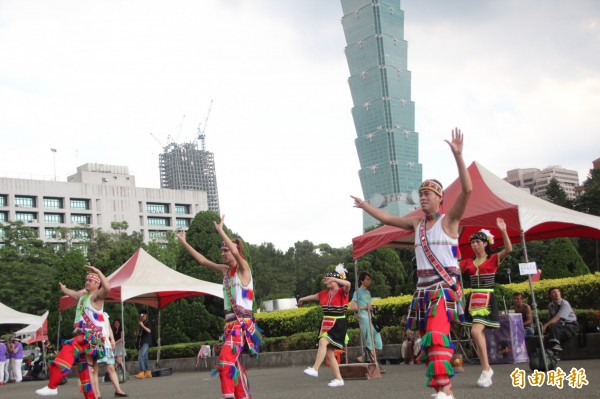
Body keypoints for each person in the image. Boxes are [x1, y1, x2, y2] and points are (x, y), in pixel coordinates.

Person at [352, 128, 471, 399]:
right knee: (428, 341)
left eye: (429, 193)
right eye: (421, 193)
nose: (423, 197)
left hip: (443, 290)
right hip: (422, 293)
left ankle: (446, 390)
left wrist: (458, 156)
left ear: (440, 198)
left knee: (438, 335)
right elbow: (387, 219)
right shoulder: (416, 224)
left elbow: (467, 189)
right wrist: (365, 206)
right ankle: (444, 388)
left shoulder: (449, 221)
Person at [177, 215, 262, 399]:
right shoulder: (225, 271)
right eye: (222, 250)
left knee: (225, 362)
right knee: (235, 368)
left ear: (236, 252)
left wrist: (221, 231)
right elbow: (203, 261)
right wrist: (184, 243)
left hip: (241, 325)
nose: (223, 253)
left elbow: (236, 252)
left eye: (226, 250)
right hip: (229, 326)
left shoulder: (243, 270)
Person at [36, 265, 110, 397]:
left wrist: (98, 271)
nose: (87, 282)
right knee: (85, 371)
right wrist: (63, 288)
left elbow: (107, 288)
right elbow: (72, 293)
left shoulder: (96, 297)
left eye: (90, 280)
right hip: (86, 336)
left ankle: (52, 385)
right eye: (86, 280)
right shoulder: (83, 297)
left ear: (97, 284)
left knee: (69, 347)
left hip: (92, 337)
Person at [459, 218, 513, 388]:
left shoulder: (493, 259)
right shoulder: (467, 262)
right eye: (472, 242)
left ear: (485, 244)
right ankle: (485, 369)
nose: (475, 245)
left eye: (478, 242)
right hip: (473, 300)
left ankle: (486, 368)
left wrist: (503, 230)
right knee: (477, 334)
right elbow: (452, 264)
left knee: (476, 332)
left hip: (487, 299)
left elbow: (509, 249)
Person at [299, 264, 351, 388]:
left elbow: (348, 284)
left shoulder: (342, 292)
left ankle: (315, 369)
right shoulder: (324, 293)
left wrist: (334, 279)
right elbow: (314, 296)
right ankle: (339, 379)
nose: (326, 281)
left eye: (328, 279)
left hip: (338, 323)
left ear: (334, 280)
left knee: (323, 341)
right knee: (329, 353)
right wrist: (302, 299)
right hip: (326, 323)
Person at [349, 271, 382, 363]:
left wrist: (371, 308)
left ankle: (363, 357)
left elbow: (368, 305)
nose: (369, 281)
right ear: (362, 281)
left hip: (371, 317)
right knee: (369, 339)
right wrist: (365, 307)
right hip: (364, 318)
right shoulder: (357, 292)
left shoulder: (368, 292)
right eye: (367, 279)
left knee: (378, 341)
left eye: (370, 280)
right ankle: (374, 362)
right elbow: (352, 307)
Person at [93, 312, 128, 398]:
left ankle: (118, 390)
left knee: (111, 367)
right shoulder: (89, 312)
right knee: (94, 369)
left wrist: (112, 339)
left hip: (106, 343)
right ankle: (97, 393)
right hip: (95, 343)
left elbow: (108, 328)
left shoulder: (105, 315)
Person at [543, 287, 578, 353]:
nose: (556, 293)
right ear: (550, 295)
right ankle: (552, 353)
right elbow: (550, 319)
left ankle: (556, 345)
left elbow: (558, 317)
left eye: (558, 292)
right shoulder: (550, 305)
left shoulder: (565, 303)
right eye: (554, 292)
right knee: (548, 332)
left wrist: (546, 325)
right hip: (559, 326)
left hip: (570, 326)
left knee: (554, 326)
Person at [134, 310, 153, 379]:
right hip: (142, 341)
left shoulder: (147, 322)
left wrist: (142, 325)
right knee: (145, 357)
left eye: (143, 315)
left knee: (140, 356)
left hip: (146, 341)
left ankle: (142, 372)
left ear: (146, 315)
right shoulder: (141, 323)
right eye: (141, 315)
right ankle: (148, 372)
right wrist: (137, 334)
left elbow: (149, 331)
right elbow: (141, 334)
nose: (141, 316)